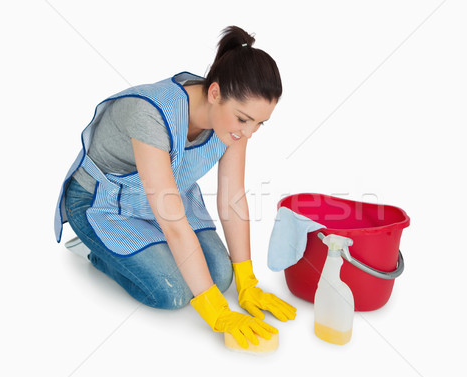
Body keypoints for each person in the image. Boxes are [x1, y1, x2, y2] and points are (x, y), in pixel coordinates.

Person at [54, 26, 296, 349]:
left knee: (221, 275)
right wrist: (216, 311)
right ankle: (97, 250)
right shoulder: (152, 115)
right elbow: (172, 221)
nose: (249, 132)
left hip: (161, 198)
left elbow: (232, 197)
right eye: (244, 119)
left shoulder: (232, 121)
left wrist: (247, 280)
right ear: (214, 93)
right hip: (100, 203)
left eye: (258, 123)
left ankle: (150, 250)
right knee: (172, 291)